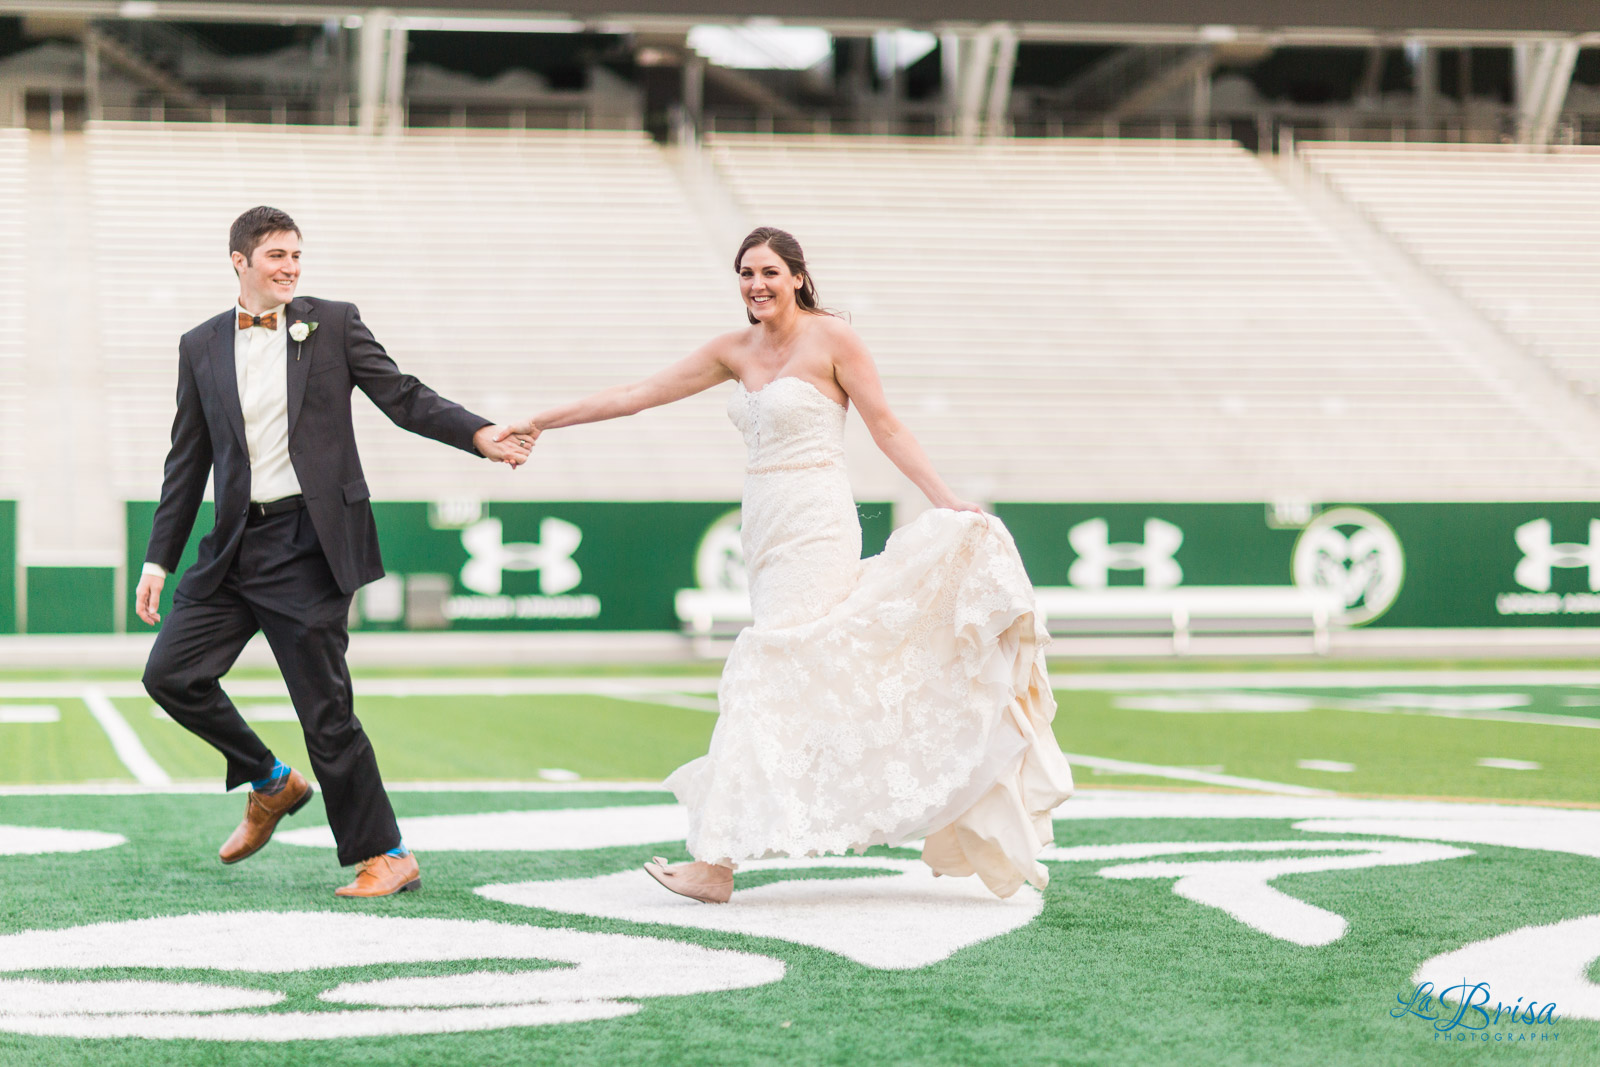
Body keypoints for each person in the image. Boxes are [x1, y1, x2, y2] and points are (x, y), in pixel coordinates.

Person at [499, 227, 1072, 902]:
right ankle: (735, 848)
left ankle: (716, 862)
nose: (756, 284)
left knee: (766, 665)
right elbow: (638, 393)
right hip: (763, 526)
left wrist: (944, 499)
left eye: (769, 271)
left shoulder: (833, 340)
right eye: (745, 273)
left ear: (798, 277)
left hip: (816, 519)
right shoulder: (732, 350)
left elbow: (886, 424)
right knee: (807, 671)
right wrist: (541, 420)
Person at [135, 206, 533, 897]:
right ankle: (268, 781)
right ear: (239, 262)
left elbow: (402, 396)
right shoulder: (199, 344)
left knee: (324, 708)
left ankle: (387, 854)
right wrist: (157, 558)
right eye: (275, 256)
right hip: (230, 546)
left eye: (296, 255)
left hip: (309, 544)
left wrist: (477, 433)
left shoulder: (334, 323)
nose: (290, 267)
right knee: (169, 673)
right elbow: (187, 461)